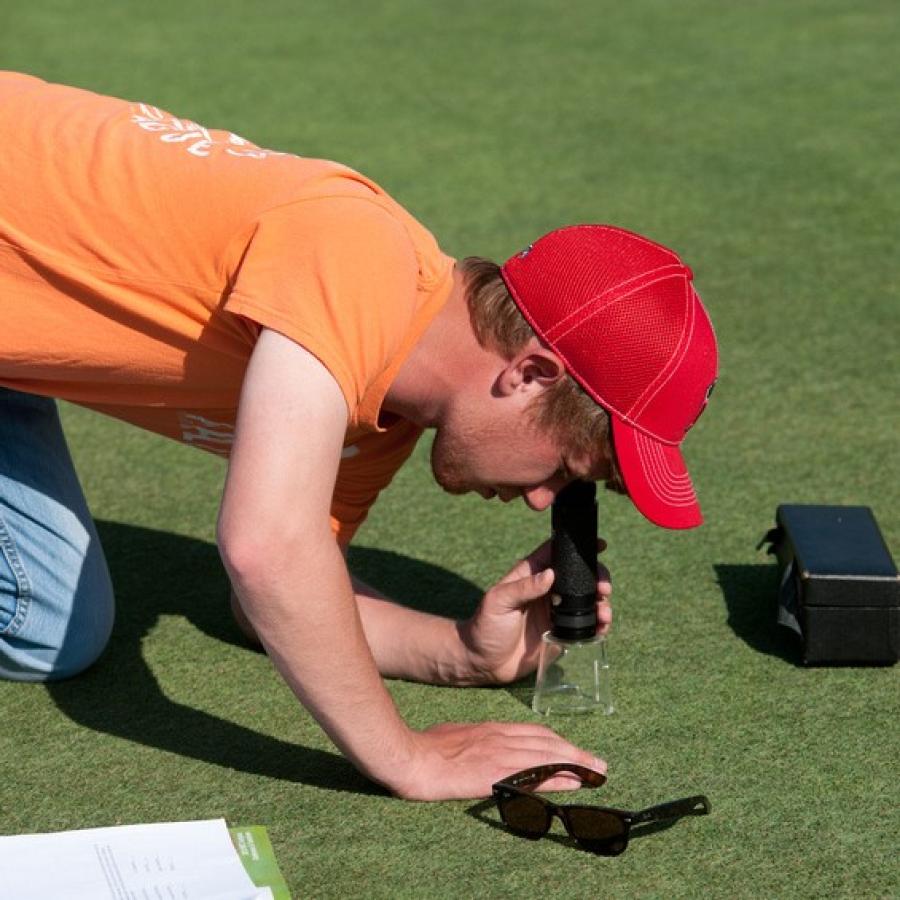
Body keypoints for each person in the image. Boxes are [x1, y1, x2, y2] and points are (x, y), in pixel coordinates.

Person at [0, 72, 718, 801]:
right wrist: (409, 758)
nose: (542, 500)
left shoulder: (378, 412)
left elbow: (274, 606)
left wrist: (464, 652)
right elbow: (267, 550)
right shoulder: (359, 254)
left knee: (50, 628)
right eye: (564, 467)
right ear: (532, 373)